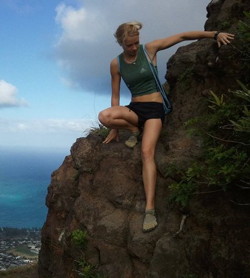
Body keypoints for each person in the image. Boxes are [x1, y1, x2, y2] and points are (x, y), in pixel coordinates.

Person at [98, 21, 234, 232]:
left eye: (136, 43)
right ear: (120, 43)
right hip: (134, 109)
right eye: (129, 45)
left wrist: (214, 34)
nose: (134, 48)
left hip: (154, 109)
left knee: (146, 152)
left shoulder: (149, 49)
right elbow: (115, 95)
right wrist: (116, 128)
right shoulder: (116, 64)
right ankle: (134, 129)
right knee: (105, 116)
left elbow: (181, 36)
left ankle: (150, 210)